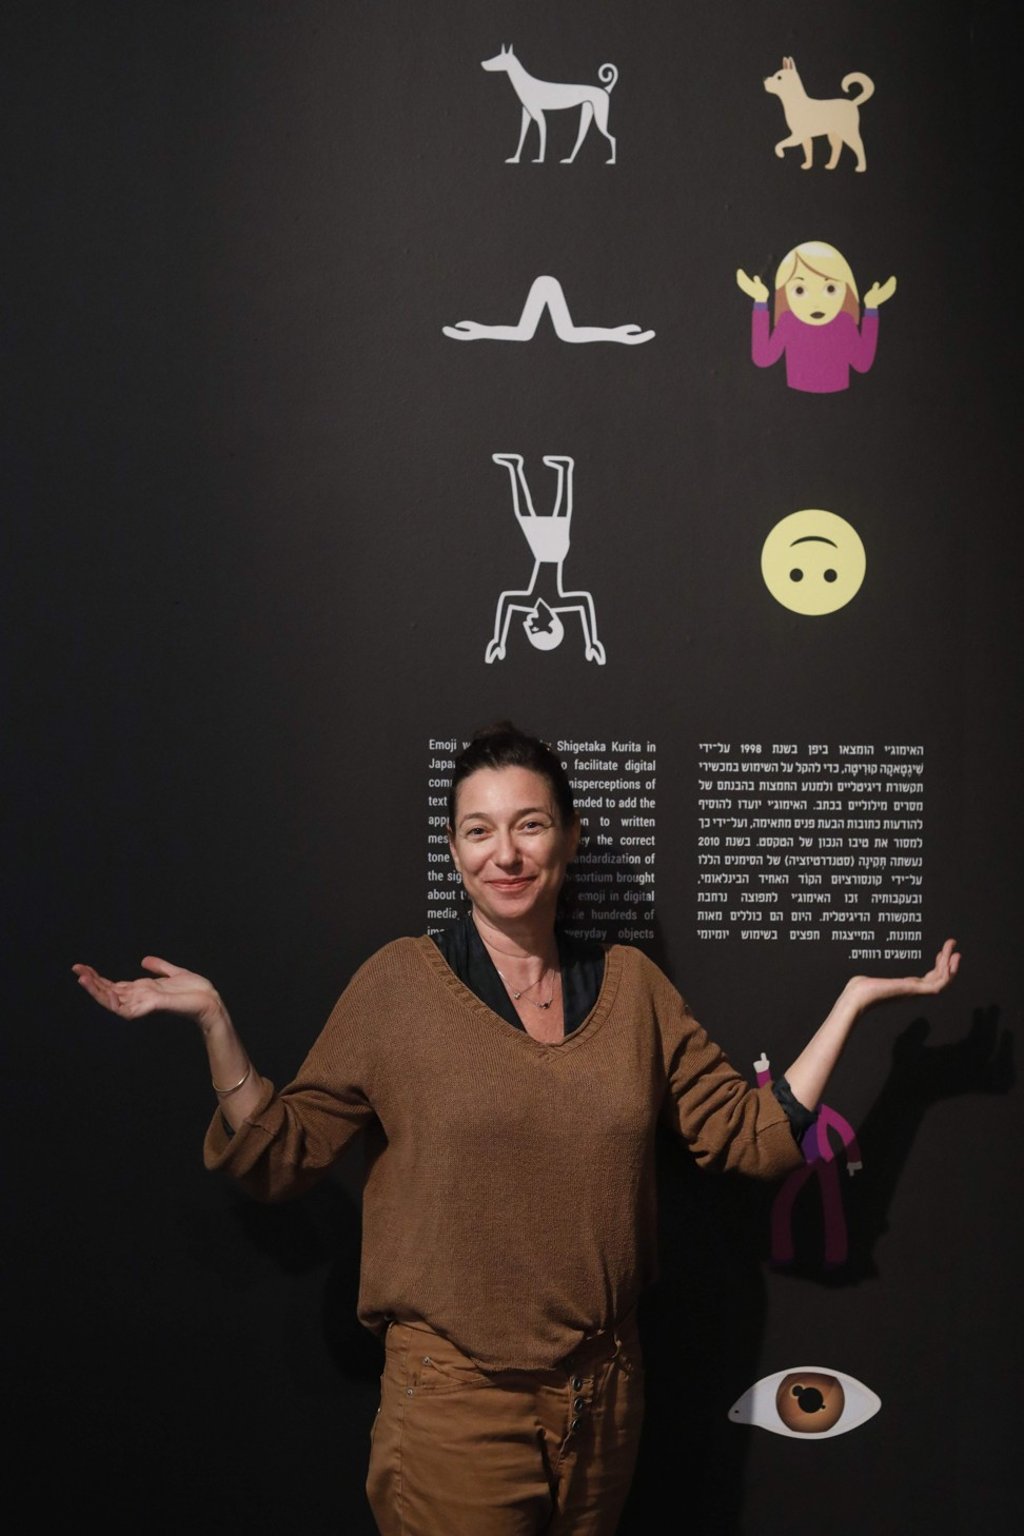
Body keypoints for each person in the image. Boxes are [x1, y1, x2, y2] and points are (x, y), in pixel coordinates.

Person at [73, 722, 960, 1536]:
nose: (506, 853)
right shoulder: (398, 986)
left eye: (529, 825)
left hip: (606, 1397)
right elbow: (282, 1154)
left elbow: (752, 1135)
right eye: (479, 830)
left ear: (568, 840)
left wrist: (852, 1005)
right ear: (455, 852)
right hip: (456, 1402)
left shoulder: (634, 989)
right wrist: (215, 1023)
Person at [736, 240, 897, 393]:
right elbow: (763, 358)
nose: (816, 302)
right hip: (792, 400)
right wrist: (760, 302)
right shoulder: (788, 322)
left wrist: (871, 308)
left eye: (830, 288)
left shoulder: (844, 323)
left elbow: (862, 363)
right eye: (799, 290)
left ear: (847, 290)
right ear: (784, 295)